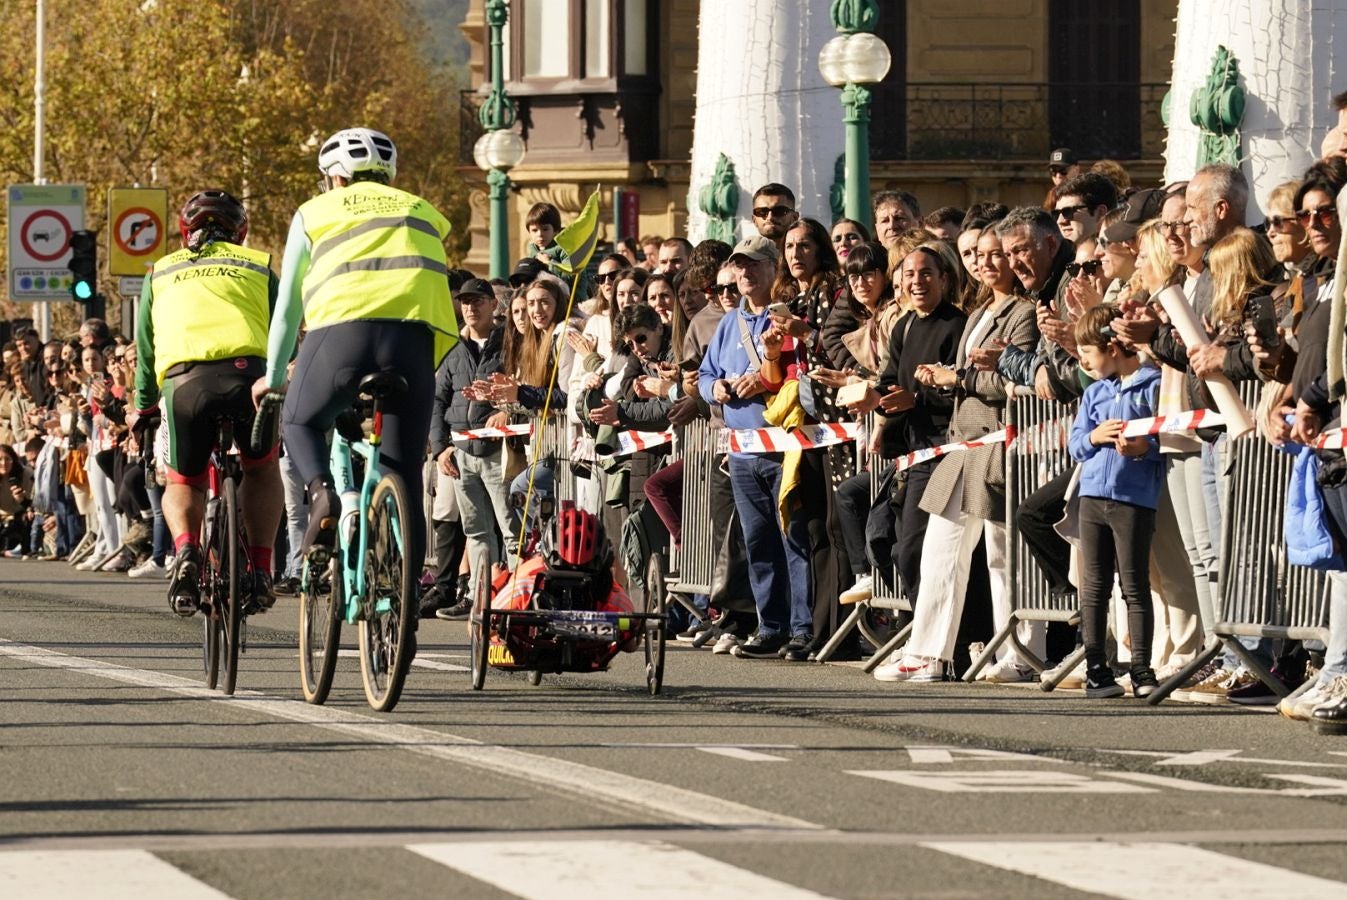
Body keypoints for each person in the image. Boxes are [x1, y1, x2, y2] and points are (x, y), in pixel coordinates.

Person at [254, 128, 458, 609]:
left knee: (300, 419)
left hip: (341, 336)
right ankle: (400, 589)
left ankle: (322, 493)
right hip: (413, 342)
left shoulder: (314, 211)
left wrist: (276, 372)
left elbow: (287, 308)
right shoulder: (424, 211)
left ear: (336, 177)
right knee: (403, 471)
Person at [133, 189, 284, 614]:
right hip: (247, 378)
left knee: (184, 481)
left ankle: (185, 551)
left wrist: (144, 407)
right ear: (241, 232)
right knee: (261, 468)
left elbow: (146, 351)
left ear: (186, 232)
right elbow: (285, 328)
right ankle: (260, 568)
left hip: (184, 383)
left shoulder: (160, 272)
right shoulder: (259, 264)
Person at [699, 235, 811, 660]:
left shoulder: (786, 316)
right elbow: (706, 376)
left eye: (753, 265)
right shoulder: (729, 322)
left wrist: (764, 378)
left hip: (785, 445)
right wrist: (719, 388)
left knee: (793, 539)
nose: (745, 274)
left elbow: (800, 371)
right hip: (743, 449)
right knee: (758, 540)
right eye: (739, 266)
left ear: (772, 268)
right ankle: (771, 626)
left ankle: (801, 628)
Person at [1068, 304, 1164, 699]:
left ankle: (1142, 668)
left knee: (1134, 585)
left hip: (1133, 498)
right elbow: (1076, 444)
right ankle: (1096, 668)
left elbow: (1167, 437)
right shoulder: (1094, 392)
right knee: (1094, 586)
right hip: (1092, 497)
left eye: (1088, 356)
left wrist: (1144, 447)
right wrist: (1094, 438)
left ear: (1112, 347)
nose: (1085, 365)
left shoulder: (1153, 384)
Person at [431, 278, 510, 620]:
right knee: (476, 531)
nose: (470, 307)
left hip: (498, 451)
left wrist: (508, 410)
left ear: (494, 305)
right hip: (461, 453)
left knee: (510, 528)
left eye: (478, 300)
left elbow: (525, 386)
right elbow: (437, 400)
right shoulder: (452, 348)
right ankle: (482, 600)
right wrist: (439, 449)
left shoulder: (509, 342)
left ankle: (512, 599)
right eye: (465, 301)